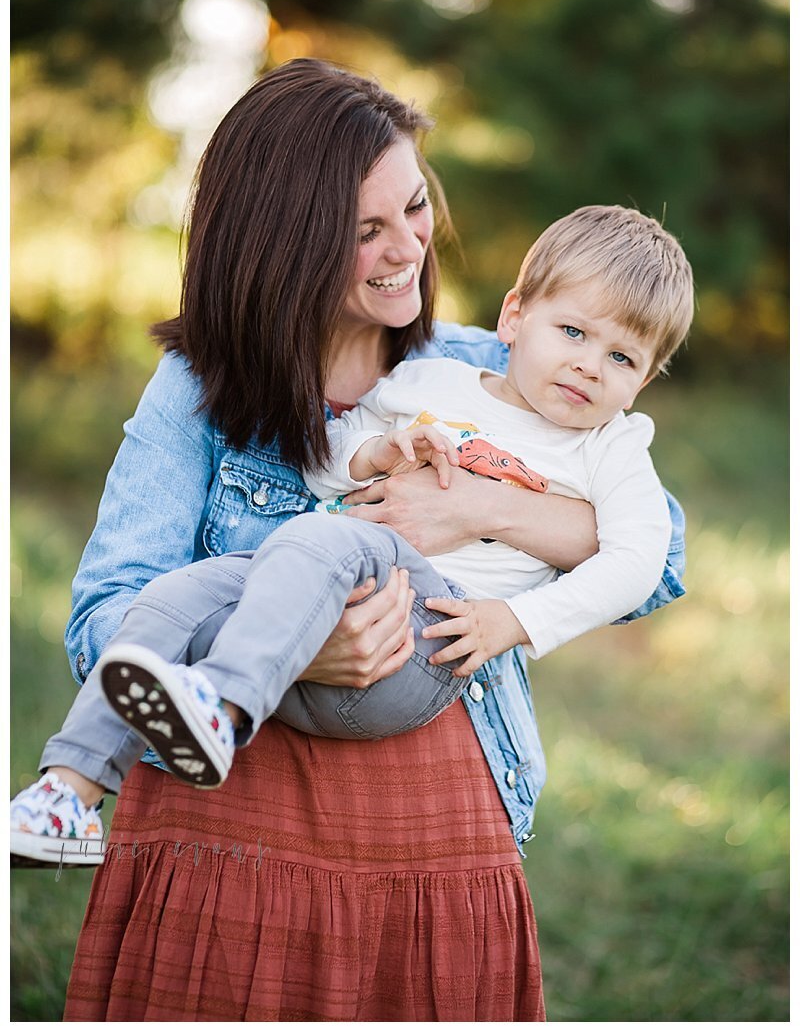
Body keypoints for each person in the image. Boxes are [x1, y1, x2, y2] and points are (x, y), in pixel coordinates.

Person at [25, 59, 686, 1021]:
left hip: (428, 793)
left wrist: (483, 511)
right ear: (283, 241)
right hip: (232, 809)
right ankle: (63, 791)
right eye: (365, 230)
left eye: (414, 208)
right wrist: (301, 652)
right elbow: (103, 626)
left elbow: (657, 555)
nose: (406, 249)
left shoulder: (483, 365)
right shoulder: (196, 391)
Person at [10, 205, 692, 861]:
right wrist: (375, 455)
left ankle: (221, 704)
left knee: (327, 541)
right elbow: (322, 461)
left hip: (421, 647)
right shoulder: (435, 379)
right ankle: (68, 793)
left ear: (644, 383)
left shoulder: (612, 448)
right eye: (573, 333)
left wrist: (514, 619)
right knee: (176, 596)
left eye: (623, 359)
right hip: (314, 614)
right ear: (514, 317)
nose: (589, 366)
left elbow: (645, 561)